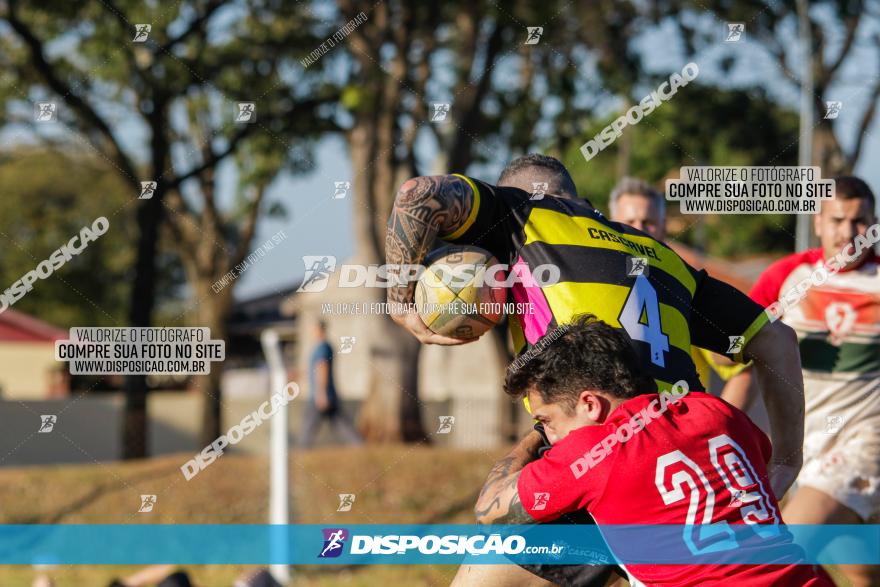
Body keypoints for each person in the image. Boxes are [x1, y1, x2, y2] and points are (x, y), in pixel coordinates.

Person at [385, 154, 806, 586]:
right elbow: (777, 338)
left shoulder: (524, 216)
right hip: (689, 460)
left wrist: (399, 303)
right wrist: (789, 460)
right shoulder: (665, 258)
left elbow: (418, 194)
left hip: (596, 451)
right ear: (583, 200)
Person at [474, 314, 832, 586]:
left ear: (589, 404)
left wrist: (531, 438)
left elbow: (490, 511)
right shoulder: (714, 410)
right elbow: (760, 453)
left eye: (547, 420)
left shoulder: (590, 451)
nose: (550, 436)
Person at [726, 176, 880, 587]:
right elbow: (747, 365)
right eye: (838, 220)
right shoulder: (786, 278)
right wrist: (722, 433)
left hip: (864, 444)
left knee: (778, 556)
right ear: (818, 221)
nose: (849, 233)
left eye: (861, 221)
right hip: (806, 446)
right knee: (862, 569)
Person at [607, 176, 752, 402]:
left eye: (648, 222)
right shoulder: (594, 277)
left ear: (664, 226)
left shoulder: (686, 285)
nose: (639, 229)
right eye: (630, 221)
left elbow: (740, 367)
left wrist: (719, 426)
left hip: (678, 427)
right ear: (610, 224)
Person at [298, 319, 362, 448]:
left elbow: (322, 368)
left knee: (308, 426)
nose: (311, 332)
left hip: (320, 395)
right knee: (340, 424)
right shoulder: (322, 347)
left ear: (320, 330)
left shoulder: (323, 347)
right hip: (327, 394)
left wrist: (321, 393)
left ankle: (301, 451)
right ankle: (358, 445)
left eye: (313, 328)